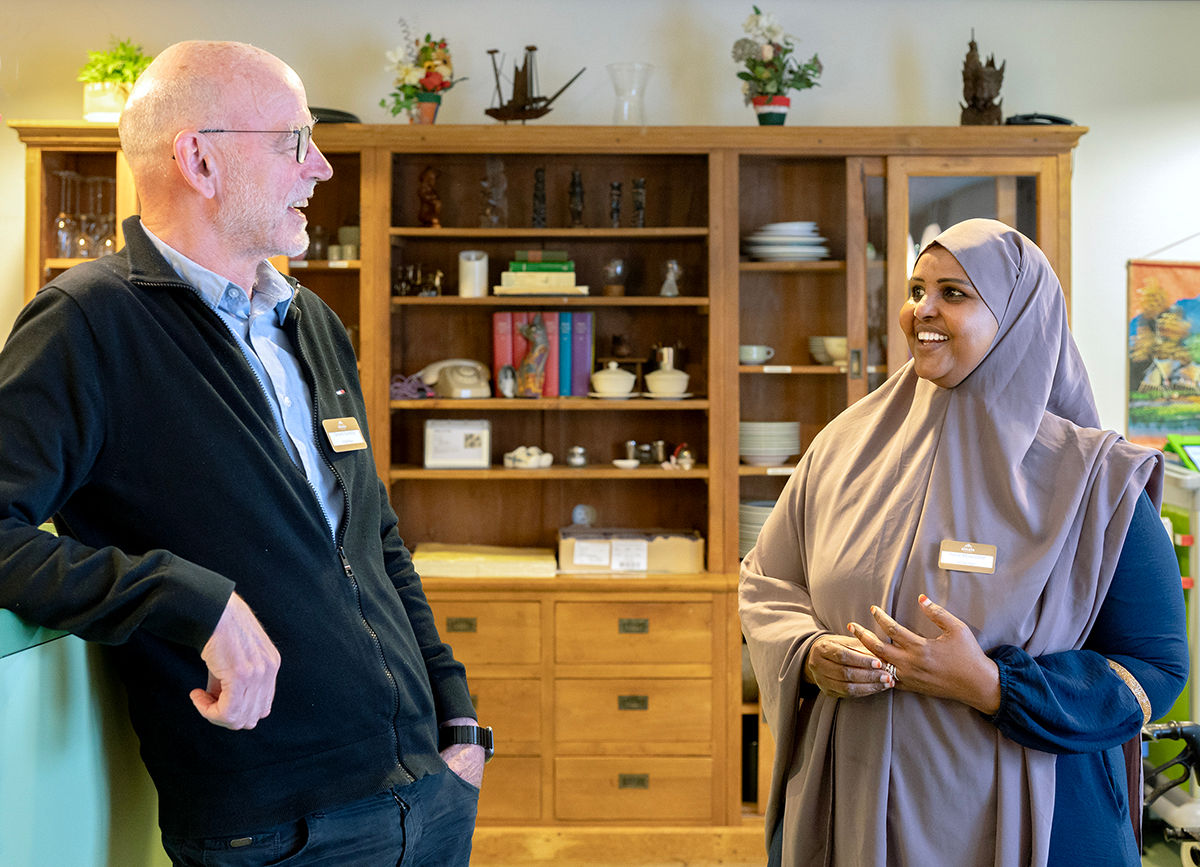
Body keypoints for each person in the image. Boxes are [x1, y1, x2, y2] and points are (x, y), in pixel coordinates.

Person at [0, 41, 489, 865]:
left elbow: (373, 538)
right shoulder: (86, 324)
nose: (322, 168)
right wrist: (194, 600)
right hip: (275, 831)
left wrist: (458, 720)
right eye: (296, 140)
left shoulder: (313, 322)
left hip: (430, 795)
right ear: (199, 158)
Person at [739, 218, 1188, 866]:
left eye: (954, 292)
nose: (921, 309)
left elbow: (1156, 665)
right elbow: (768, 579)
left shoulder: (1096, 481)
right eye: (917, 288)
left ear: (1015, 316)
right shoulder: (843, 447)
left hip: (1035, 827)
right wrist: (810, 653)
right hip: (855, 814)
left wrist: (992, 684)